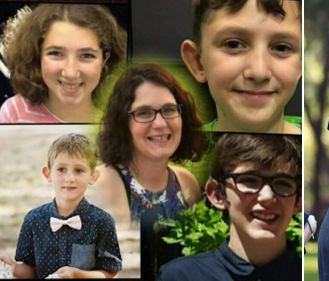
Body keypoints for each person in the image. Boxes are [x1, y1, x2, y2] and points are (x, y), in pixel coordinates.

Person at [95, 63, 208, 280]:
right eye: (144, 113)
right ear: (122, 122)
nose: (160, 123)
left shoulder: (186, 183)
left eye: (169, 110)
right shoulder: (104, 183)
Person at [157, 133, 302, 281]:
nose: (267, 196)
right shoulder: (181, 277)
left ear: (299, 200)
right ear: (217, 194)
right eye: (250, 181)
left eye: (283, 183)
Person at [0, 133, 122, 279]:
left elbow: (109, 272)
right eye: (61, 169)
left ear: (93, 176)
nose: (70, 178)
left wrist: (78, 275)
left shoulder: (102, 221)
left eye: (79, 170)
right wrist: (14, 268)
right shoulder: (33, 219)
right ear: (48, 174)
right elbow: (31, 271)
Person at [180, 0, 302, 134]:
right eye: (233, 44)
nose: (259, 72)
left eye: (281, 48)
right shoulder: (177, 151)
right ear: (198, 62)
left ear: (300, 64)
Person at [0, 4, 127, 123]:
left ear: (104, 60)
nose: (71, 73)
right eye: (56, 53)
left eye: (87, 55)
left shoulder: (116, 126)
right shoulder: (14, 113)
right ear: (38, 56)